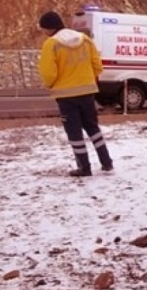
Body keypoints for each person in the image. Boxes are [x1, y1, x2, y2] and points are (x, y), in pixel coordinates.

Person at [37, 11, 114, 177]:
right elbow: (97, 65)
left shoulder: (51, 44)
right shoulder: (85, 39)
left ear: (49, 28)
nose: (43, 32)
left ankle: (84, 167)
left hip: (66, 96)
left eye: (43, 29)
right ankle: (106, 162)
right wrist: (89, 79)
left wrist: (50, 85)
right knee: (93, 127)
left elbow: (49, 73)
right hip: (87, 91)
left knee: (74, 133)